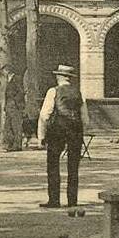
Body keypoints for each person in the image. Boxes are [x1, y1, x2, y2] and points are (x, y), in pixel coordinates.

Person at [37, 65, 89, 209]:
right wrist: (80, 131)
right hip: (75, 132)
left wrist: (41, 136)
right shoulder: (79, 93)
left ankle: (54, 200)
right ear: (70, 78)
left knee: (53, 165)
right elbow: (85, 119)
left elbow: (44, 115)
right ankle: (72, 200)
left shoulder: (53, 91)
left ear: (59, 77)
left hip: (57, 131)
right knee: (73, 167)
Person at [0, 61, 26, 151]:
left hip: (14, 106)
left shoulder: (16, 79)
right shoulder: (8, 79)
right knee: (9, 125)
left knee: (16, 126)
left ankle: (17, 145)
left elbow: (20, 92)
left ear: (8, 71)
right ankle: (10, 144)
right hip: (9, 105)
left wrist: (16, 103)